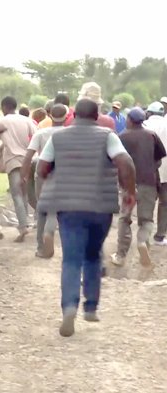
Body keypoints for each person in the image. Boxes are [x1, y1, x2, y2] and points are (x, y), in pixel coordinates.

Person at [36, 98, 136, 337]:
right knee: (93, 255)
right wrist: (129, 191)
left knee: (71, 259)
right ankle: (90, 307)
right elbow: (125, 162)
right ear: (96, 116)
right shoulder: (107, 135)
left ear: (74, 116)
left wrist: (51, 174)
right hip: (101, 207)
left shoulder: (57, 137)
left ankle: (69, 307)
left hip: (68, 208)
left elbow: (41, 167)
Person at [110, 107, 165, 267]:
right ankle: (142, 242)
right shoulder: (151, 135)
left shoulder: (121, 137)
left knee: (125, 218)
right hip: (148, 182)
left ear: (130, 120)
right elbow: (159, 158)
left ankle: (120, 255)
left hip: (129, 185)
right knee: (147, 219)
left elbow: (116, 160)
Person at [0, 96, 37, 242]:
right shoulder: (27, 120)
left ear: (4, 107)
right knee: (25, 193)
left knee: (17, 194)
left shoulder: (1, 122)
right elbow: (36, 137)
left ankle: (23, 226)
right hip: (29, 161)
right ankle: (28, 222)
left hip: (13, 162)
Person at [21, 104, 68, 258]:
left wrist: (23, 176)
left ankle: (42, 246)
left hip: (42, 174)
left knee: (42, 210)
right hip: (64, 175)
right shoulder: (70, 134)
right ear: (67, 117)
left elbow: (28, 157)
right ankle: (68, 246)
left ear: (50, 116)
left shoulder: (41, 133)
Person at [143, 102, 167, 246]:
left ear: (149, 113)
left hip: (148, 171)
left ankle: (144, 238)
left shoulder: (143, 126)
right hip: (165, 170)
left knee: (148, 204)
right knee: (165, 204)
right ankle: (160, 236)